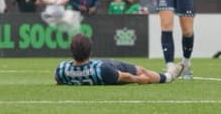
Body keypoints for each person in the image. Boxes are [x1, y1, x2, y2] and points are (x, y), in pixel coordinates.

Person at [55, 33, 183, 85]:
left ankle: (167, 76)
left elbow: (57, 79)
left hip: (92, 68)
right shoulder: (102, 69)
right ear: (90, 52)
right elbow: (126, 76)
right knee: (140, 70)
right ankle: (168, 77)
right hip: (105, 69)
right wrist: (140, 80)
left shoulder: (62, 69)